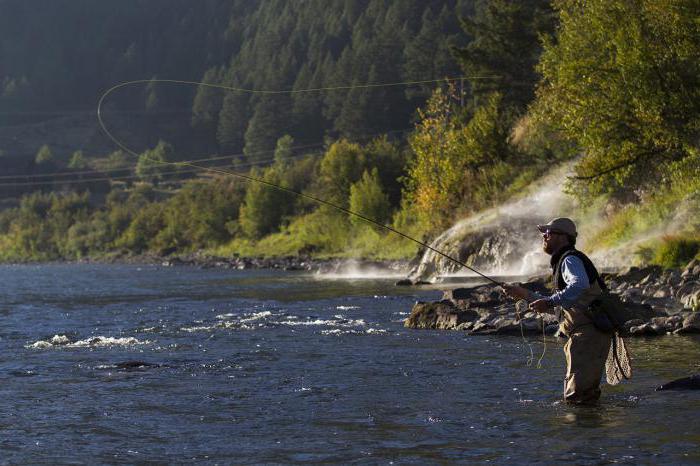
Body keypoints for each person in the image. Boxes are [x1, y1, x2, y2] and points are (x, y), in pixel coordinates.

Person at [502, 217, 611, 404]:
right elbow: (566, 305)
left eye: (548, 233)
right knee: (581, 398)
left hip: (588, 335)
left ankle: (585, 432)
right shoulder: (565, 260)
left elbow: (580, 285)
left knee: (579, 399)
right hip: (584, 336)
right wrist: (524, 294)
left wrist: (549, 302)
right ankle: (588, 431)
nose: (544, 236)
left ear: (563, 237)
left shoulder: (569, 259)